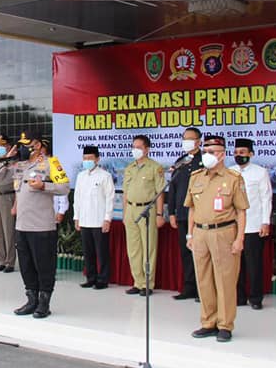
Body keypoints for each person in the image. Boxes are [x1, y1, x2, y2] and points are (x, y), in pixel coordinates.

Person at [186, 135, 249, 343]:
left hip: (224, 232)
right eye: (205, 152)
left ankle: (224, 325)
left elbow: (241, 211)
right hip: (200, 233)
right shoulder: (196, 177)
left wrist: (239, 239)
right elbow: (191, 208)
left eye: (212, 152)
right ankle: (208, 322)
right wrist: (190, 234)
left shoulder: (233, 178)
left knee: (225, 281)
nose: (207, 155)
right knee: (203, 279)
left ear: (222, 155)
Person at [12, 132, 69, 318]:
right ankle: (31, 300)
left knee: (44, 266)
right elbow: (18, 192)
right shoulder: (19, 166)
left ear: (37, 145)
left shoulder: (51, 163)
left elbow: (64, 187)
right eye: (21, 144)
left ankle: (44, 303)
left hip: (41, 226)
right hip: (22, 225)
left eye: (27, 144)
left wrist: (44, 186)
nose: (23, 148)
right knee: (26, 266)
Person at [121, 135, 166, 296]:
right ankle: (137, 282)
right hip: (131, 209)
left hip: (147, 209)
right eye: (133, 147)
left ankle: (147, 284)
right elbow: (125, 193)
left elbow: (160, 193)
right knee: (133, 249)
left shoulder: (155, 167)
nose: (135, 150)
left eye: (139, 147)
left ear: (147, 149)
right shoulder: (129, 168)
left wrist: (160, 214)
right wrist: (125, 214)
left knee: (148, 248)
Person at [231, 139, 272, 310]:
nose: (238, 155)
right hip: (233, 226)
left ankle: (255, 298)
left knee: (254, 264)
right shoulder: (230, 172)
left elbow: (266, 198)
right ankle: (239, 297)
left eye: (242, 152)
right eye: (236, 152)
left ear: (251, 154)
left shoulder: (260, 172)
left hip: (253, 225)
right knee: (236, 264)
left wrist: (265, 222)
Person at [166, 127, 203, 300]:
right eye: (184, 138)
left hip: (200, 214)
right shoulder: (180, 162)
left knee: (201, 253)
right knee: (186, 252)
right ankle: (189, 288)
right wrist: (171, 212)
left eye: (190, 139)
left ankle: (203, 290)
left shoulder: (204, 161)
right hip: (182, 214)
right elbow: (173, 188)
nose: (186, 142)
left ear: (198, 141)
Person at [74, 145, 116, 290]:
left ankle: (103, 279)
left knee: (101, 252)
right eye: (85, 158)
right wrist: (76, 217)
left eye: (90, 158)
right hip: (84, 220)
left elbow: (110, 198)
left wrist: (107, 219)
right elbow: (77, 198)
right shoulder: (81, 176)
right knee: (88, 252)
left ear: (97, 159)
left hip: (99, 220)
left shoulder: (105, 176)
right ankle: (90, 277)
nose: (87, 161)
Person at [0, 135, 16, 273]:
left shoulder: (15, 163)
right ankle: (1, 260)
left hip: (8, 198)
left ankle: (10, 262)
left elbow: (16, 185)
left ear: (9, 147)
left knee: (8, 231)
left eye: (3, 146)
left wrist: (15, 204)